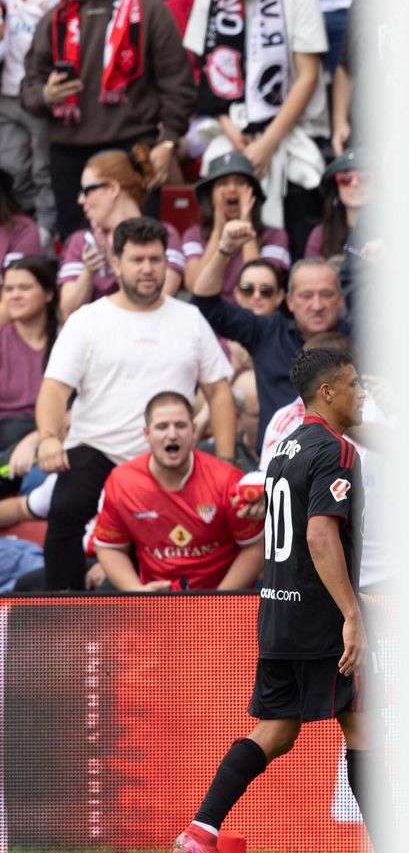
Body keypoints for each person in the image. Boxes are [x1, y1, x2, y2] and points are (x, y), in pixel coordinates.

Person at [172, 345, 381, 853]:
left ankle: (200, 832)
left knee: (278, 730)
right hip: (319, 618)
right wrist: (351, 614)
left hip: (277, 610)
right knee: (362, 724)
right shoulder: (337, 450)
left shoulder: (285, 446)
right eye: (354, 385)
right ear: (328, 392)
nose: (362, 395)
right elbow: (318, 534)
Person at [35, 217, 234, 590]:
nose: (147, 269)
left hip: (168, 455)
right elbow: (54, 389)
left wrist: (223, 461)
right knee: (64, 509)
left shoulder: (189, 318)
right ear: (117, 263)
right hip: (97, 446)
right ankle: (59, 616)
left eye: (156, 260)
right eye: (138, 259)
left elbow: (219, 392)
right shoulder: (88, 319)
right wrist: (48, 437)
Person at [23, 0, 194, 236]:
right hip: (69, 152)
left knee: (141, 249)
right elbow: (28, 89)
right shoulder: (54, 18)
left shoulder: (149, 9)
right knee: (78, 254)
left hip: (132, 147)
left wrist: (168, 141)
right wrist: (46, 95)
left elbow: (178, 83)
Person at [183, 0, 327, 243]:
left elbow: (308, 76)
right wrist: (230, 128)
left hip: (290, 128)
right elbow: (208, 72)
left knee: (302, 186)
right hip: (231, 127)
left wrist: (268, 142)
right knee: (220, 184)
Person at [92, 391, 264, 591]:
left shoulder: (227, 479)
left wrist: (218, 602)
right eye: (162, 427)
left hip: (222, 603)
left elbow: (255, 547)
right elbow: (109, 547)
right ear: (146, 434)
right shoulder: (121, 482)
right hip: (157, 602)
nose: (172, 434)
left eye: (181, 425)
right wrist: (136, 591)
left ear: (194, 430)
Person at [193, 258, 346, 453]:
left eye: (326, 294)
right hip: (277, 468)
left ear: (340, 299)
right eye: (306, 295)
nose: (317, 305)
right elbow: (206, 306)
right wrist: (225, 250)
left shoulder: (365, 340)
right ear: (290, 302)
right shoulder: (268, 332)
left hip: (345, 469)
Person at [59, 147, 184, 316]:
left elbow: (156, 301)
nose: (81, 200)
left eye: (87, 190)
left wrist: (112, 260)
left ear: (113, 189)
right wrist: (88, 273)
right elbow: (68, 312)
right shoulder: (82, 241)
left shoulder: (164, 235)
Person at [0, 0, 68, 242]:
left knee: (43, 170)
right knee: (9, 165)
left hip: (39, 97)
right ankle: (25, 221)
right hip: (6, 96)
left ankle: (45, 232)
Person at [181, 151, 293, 297]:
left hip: (251, 316)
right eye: (223, 183)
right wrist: (217, 232)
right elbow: (195, 287)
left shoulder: (274, 236)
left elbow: (257, 289)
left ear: (253, 193)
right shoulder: (194, 235)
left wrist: (246, 224)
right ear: (210, 195)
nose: (232, 189)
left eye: (240, 182)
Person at [0, 256, 59, 483]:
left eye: (24, 288)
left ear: (48, 294)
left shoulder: (67, 341)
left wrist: (36, 439)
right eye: (8, 289)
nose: (14, 295)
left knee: (38, 479)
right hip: (4, 437)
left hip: (49, 439)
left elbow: (78, 408)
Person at [304, 150, 364, 261]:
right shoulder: (320, 235)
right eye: (345, 179)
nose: (355, 184)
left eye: (365, 178)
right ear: (336, 190)